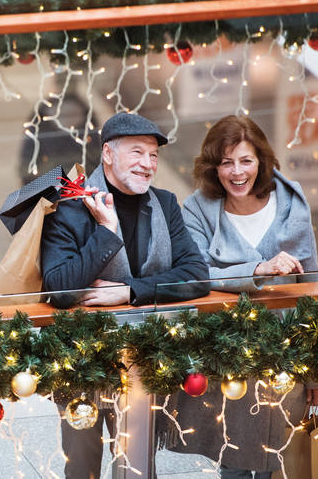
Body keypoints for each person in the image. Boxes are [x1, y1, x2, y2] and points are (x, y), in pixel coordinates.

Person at [40, 112, 210, 479]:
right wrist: (107, 230)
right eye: (137, 152)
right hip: (80, 360)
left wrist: (130, 292)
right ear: (107, 154)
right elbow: (58, 290)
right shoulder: (69, 207)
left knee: (137, 460)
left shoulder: (164, 204)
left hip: (146, 356)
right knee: (82, 460)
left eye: (153, 156)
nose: (147, 164)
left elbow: (196, 276)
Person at [166, 115, 318, 478]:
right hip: (225, 354)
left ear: (261, 161)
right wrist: (257, 271)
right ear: (213, 166)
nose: (237, 172)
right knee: (235, 461)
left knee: (283, 458)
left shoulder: (292, 202)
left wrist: (317, 371)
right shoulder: (197, 208)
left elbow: (311, 290)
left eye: (245, 160)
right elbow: (195, 275)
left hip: (286, 356)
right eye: (226, 162)